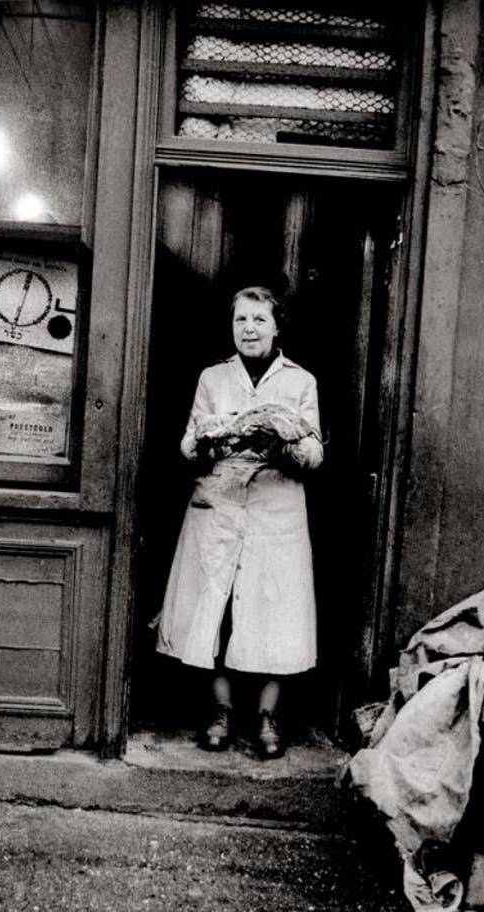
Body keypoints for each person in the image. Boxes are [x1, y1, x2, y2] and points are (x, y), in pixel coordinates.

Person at [155, 285, 323, 759]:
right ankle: (221, 711)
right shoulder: (213, 377)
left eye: (258, 320)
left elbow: (314, 454)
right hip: (220, 504)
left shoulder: (301, 381)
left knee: (276, 611)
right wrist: (216, 439)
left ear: (276, 326)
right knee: (217, 611)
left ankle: (268, 717)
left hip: (276, 509)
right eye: (241, 320)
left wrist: (283, 442)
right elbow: (188, 445)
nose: (249, 329)